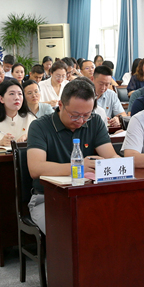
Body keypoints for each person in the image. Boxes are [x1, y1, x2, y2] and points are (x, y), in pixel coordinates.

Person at [27, 78, 119, 233]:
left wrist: (115, 163)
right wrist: (78, 167)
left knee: (112, 224)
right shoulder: (40, 126)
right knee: (69, 233)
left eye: (86, 115)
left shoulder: (95, 122)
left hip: (88, 196)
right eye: (75, 115)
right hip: (48, 199)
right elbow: (35, 168)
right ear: (61, 105)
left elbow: (111, 157)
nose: (81, 121)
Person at [0, 80, 35, 148]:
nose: (17, 98)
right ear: (1, 99)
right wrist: (0, 144)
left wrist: (28, 136)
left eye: (20, 94)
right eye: (12, 94)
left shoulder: (30, 118)